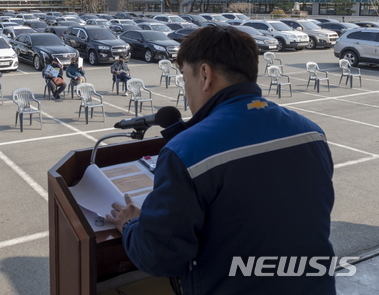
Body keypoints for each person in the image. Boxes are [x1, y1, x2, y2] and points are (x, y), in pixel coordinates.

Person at [106, 26, 335, 295]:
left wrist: (131, 224)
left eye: (184, 77)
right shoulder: (311, 132)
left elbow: (158, 257)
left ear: (205, 74)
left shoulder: (187, 151)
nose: (186, 88)